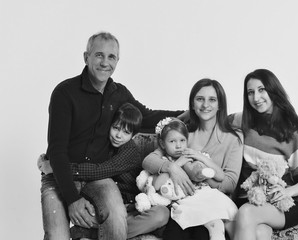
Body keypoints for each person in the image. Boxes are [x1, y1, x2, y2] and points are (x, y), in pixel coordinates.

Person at [41, 31, 185, 240]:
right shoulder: (64, 93)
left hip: (98, 179)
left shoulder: (119, 93)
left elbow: (146, 117)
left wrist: (187, 114)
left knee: (117, 218)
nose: (105, 62)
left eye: (111, 57)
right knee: (57, 236)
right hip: (60, 176)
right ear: (86, 57)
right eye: (99, 55)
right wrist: (72, 199)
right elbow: (57, 151)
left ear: (117, 60)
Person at [39, 103, 169, 239]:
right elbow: (81, 160)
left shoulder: (130, 152)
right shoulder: (103, 144)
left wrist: (56, 169)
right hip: (105, 207)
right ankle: (103, 229)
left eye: (126, 132)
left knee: (161, 214)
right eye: (115, 128)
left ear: (133, 135)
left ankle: (91, 233)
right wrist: (54, 163)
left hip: (132, 206)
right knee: (88, 212)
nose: (118, 135)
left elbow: (100, 170)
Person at [142, 78, 244, 240]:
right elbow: (149, 161)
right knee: (175, 234)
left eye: (212, 99)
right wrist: (173, 168)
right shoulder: (183, 135)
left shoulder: (234, 138)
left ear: (220, 105)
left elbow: (229, 184)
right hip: (183, 203)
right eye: (200, 99)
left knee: (202, 235)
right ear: (192, 104)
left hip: (213, 207)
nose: (205, 105)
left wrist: (196, 177)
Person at [229, 69, 298, 240]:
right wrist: (181, 117)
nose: (256, 98)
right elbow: (212, 116)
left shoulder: (293, 131)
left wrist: (287, 192)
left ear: (273, 90)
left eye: (262, 90)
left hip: (280, 205)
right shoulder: (242, 120)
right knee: (260, 233)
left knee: (246, 213)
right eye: (250, 92)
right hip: (248, 198)